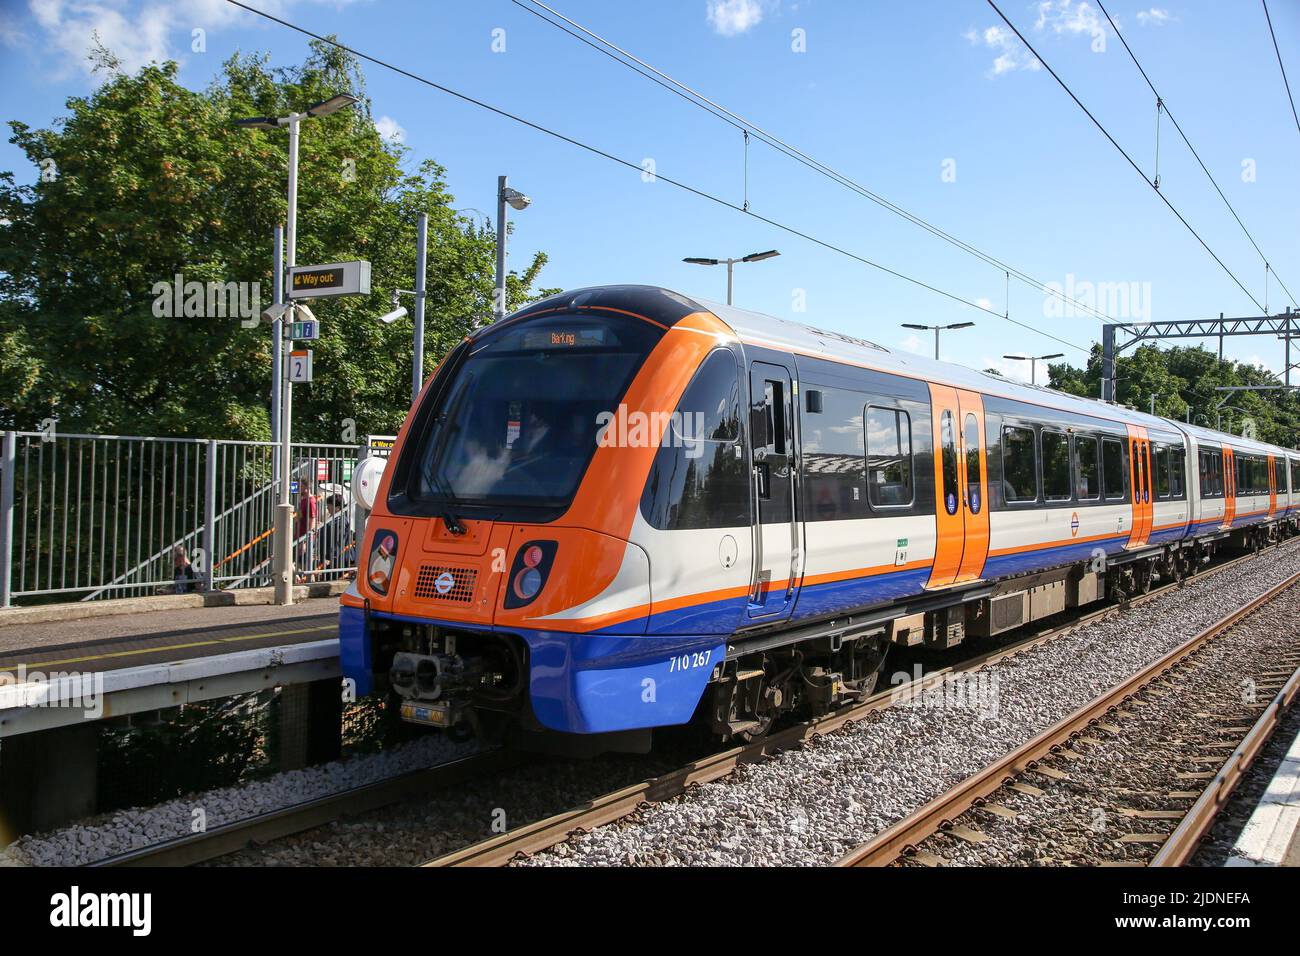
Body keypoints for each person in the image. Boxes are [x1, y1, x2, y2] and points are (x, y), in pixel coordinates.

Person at [296, 477, 320, 582]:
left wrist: (306, 539)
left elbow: (312, 520)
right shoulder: (303, 500)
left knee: (305, 565)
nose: (298, 489)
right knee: (300, 564)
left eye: (300, 486)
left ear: (306, 487)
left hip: (305, 538)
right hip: (299, 536)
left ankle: (312, 584)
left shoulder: (311, 501)